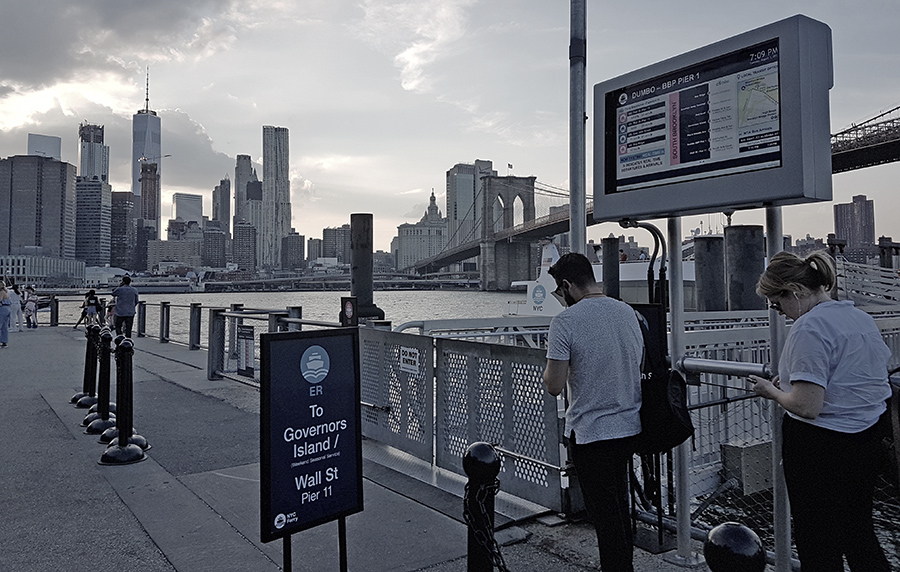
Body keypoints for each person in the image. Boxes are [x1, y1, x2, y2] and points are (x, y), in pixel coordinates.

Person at [749, 251, 891, 572]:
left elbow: (807, 406)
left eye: (776, 302)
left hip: (820, 449)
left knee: (817, 543)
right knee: (860, 534)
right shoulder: (859, 319)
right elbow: (850, 381)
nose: (779, 312)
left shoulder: (808, 328)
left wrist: (770, 391)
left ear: (794, 292)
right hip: (865, 440)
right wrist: (789, 383)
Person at [542, 253, 643, 572]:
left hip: (591, 434)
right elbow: (636, 364)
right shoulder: (627, 311)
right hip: (629, 427)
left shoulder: (564, 322)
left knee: (605, 518)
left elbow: (554, 385)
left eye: (560, 293)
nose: (562, 299)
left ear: (567, 286)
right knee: (620, 511)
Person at [0, 282, 10, 347]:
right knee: (4, 326)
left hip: (2, 308)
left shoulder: (1, 292)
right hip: (7, 308)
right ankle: (4, 341)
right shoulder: (6, 291)